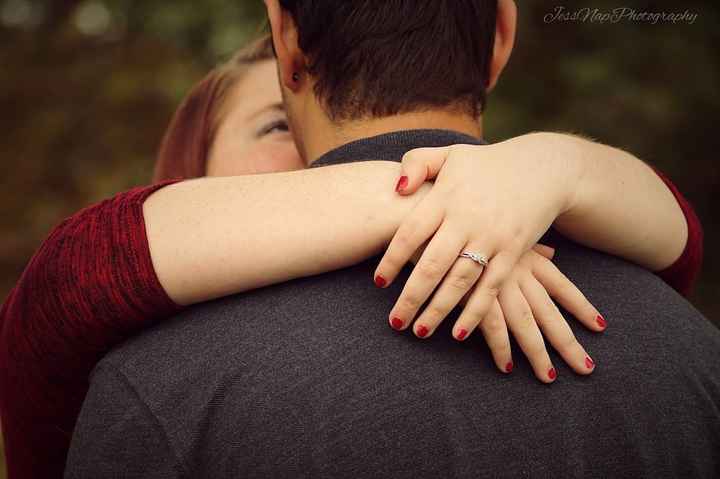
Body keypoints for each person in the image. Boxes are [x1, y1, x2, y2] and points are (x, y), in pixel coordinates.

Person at [0, 24, 706, 479]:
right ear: (189, 180)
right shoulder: (120, 363)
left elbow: (681, 243)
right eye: (274, 126)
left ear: (288, 41)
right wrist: (450, 194)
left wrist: (549, 173)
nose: (309, 163)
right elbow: (68, 282)